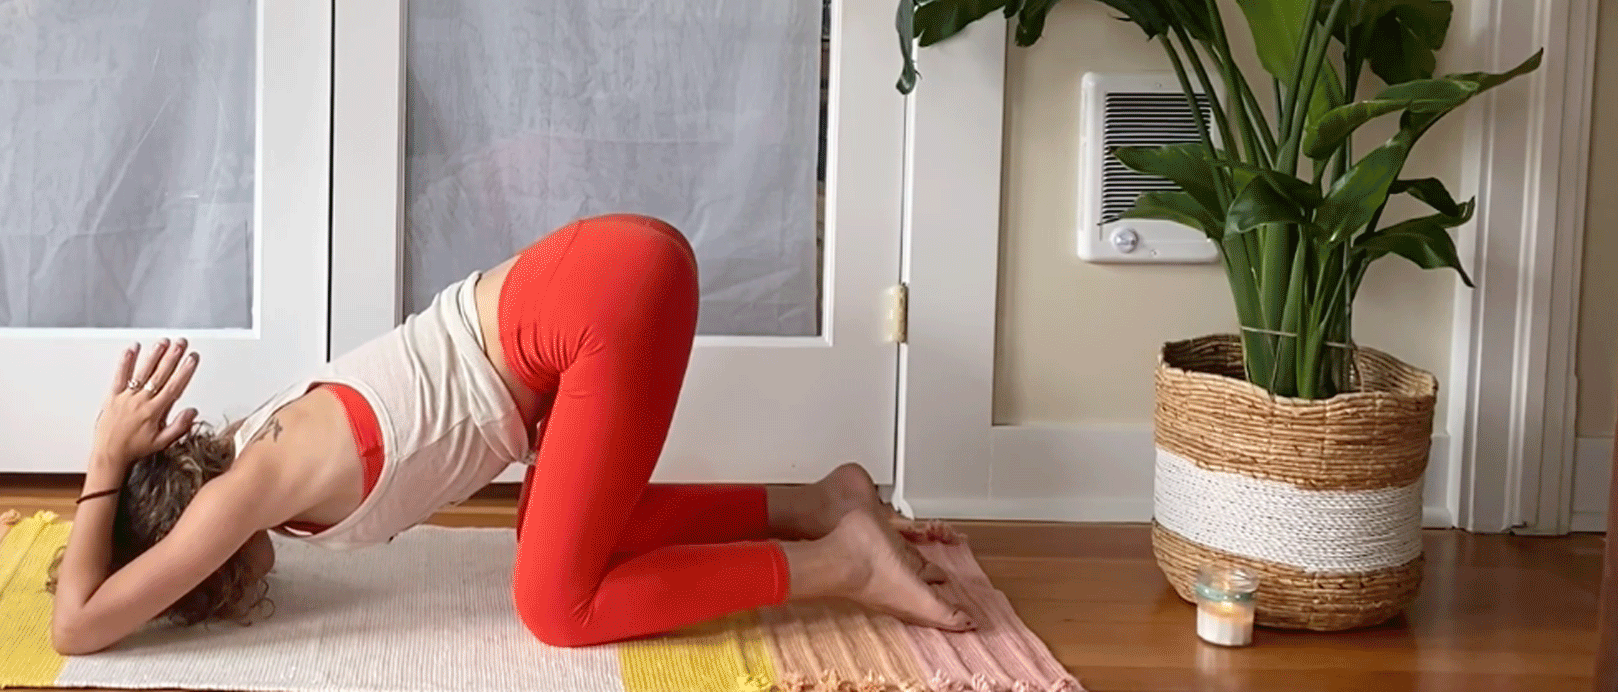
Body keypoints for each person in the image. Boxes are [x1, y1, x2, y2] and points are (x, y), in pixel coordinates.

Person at [48, 214, 972, 655]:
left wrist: (103, 459)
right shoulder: (257, 442)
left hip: (596, 305)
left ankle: (843, 561)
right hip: (595, 273)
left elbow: (78, 626)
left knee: (556, 605)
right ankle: (821, 502)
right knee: (558, 540)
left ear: (182, 546)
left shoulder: (241, 492)